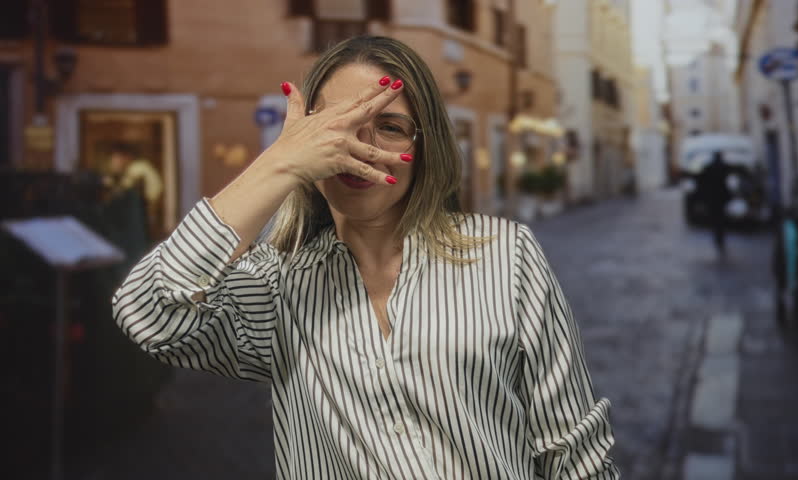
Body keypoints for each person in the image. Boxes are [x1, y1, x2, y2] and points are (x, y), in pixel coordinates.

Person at [112, 36, 619, 479]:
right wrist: (279, 165)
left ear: (426, 147)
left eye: (390, 126)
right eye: (335, 126)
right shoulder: (274, 284)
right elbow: (148, 313)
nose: (359, 147)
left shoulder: (506, 255)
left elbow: (574, 451)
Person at [103, 142, 164, 240]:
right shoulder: (117, 175)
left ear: (126, 157)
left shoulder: (139, 168)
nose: (114, 163)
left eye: (117, 159)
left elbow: (127, 187)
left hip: (138, 218)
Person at [698, 151, 732, 257]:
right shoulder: (724, 167)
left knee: (715, 218)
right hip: (721, 197)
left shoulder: (709, 167)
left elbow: (702, 181)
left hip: (713, 198)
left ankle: (717, 236)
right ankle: (720, 236)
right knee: (721, 218)